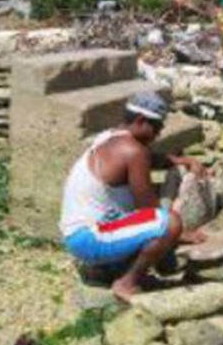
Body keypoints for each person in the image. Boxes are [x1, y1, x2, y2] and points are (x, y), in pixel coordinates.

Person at [60, 91, 207, 302]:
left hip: (77, 235)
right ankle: (127, 282)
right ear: (140, 121)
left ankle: (110, 268)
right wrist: (179, 233)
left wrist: (180, 160)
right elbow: (148, 209)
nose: (159, 132)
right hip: (91, 239)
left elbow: (152, 158)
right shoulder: (133, 151)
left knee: (162, 222)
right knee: (170, 223)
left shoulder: (110, 137)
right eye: (157, 126)